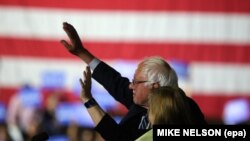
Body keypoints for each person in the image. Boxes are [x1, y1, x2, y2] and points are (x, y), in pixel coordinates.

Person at [61, 22, 207, 141]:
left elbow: (117, 138)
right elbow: (113, 81)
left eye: (136, 82)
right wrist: (82, 53)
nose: (131, 86)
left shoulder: (184, 109)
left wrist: (88, 100)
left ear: (154, 87)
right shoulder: (139, 101)